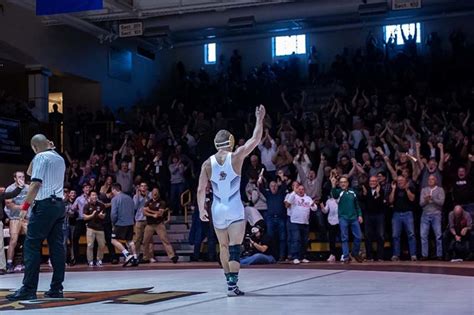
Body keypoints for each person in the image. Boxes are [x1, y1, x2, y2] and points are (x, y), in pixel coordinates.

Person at [197, 104, 266, 297]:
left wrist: (202, 209)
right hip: (234, 207)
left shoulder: (206, 164)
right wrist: (259, 119)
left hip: (217, 208)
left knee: (223, 247)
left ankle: (229, 283)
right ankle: (232, 286)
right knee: (236, 247)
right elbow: (256, 139)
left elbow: (201, 188)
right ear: (231, 142)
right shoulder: (236, 156)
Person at [7, 134, 66, 301]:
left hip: (44, 205)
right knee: (57, 247)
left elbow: (34, 183)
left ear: (34, 148)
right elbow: (30, 171)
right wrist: (46, 148)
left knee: (31, 245)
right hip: (59, 205)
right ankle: (56, 289)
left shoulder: (40, 157)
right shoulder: (59, 158)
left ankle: (29, 288)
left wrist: (25, 207)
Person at [330, 175, 364, 263]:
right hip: (343, 218)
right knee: (344, 237)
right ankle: (345, 256)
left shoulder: (353, 192)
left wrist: (359, 215)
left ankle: (354, 253)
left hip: (353, 217)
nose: (343, 184)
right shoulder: (338, 191)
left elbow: (357, 205)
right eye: (341, 182)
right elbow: (334, 195)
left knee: (359, 236)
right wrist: (333, 184)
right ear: (339, 184)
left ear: (348, 183)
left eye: (344, 182)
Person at [142, 187, 178, 263]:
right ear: (151, 194)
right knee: (145, 241)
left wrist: (149, 210)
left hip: (159, 224)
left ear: (158, 193)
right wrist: (152, 214)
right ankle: (145, 257)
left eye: (156, 192)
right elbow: (144, 212)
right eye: (153, 192)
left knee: (165, 240)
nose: (155, 193)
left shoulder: (162, 202)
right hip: (149, 224)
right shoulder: (148, 202)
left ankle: (172, 256)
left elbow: (160, 213)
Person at [4, 171, 30, 273]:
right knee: (13, 240)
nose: (21, 179)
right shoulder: (10, 188)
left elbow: (32, 200)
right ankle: (9, 263)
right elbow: (9, 204)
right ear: (15, 178)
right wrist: (22, 207)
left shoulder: (28, 188)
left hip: (27, 218)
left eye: (23, 177)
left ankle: (26, 262)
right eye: (19, 177)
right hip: (14, 217)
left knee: (30, 240)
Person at [285, 184, 318, 264]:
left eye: (302, 189)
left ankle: (302, 257)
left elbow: (314, 209)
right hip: (295, 222)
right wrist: (294, 192)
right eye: (299, 189)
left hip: (305, 222)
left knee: (304, 241)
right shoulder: (293, 197)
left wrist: (313, 205)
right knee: (296, 240)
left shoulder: (308, 198)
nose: (301, 190)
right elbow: (287, 204)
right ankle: (295, 257)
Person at [110, 183, 139, 267]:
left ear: (114, 189)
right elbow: (134, 209)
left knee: (113, 240)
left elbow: (113, 214)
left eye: (112, 191)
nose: (112, 192)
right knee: (129, 240)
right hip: (130, 222)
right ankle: (135, 257)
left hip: (120, 223)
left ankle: (127, 255)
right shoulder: (129, 198)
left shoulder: (115, 199)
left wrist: (113, 223)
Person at [389, 176, 417, 262]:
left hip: (408, 214)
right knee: (395, 235)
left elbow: (412, 199)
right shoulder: (395, 189)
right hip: (397, 214)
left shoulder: (410, 188)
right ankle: (396, 255)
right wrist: (393, 189)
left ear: (406, 181)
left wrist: (406, 189)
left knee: (411, 235)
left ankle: (413, 255)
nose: (400, 182)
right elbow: (390, 201)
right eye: (398, 181)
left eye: (401, 180)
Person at [0, 180, 25, 275]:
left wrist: (19, 187)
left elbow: (11, 194)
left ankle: (1, 267)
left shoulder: (1, 195)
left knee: (0, 245)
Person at [419, 175, 445, 260]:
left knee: (438, 235)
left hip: (436, 214)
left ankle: (439, 255)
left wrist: (433, 198)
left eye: (432, 179)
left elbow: (441, 202)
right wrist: (426, 200)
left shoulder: (440, 190)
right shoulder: (424, 190)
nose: (430, 180)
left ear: (436, 180)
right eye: (429, 179)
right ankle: (424, 255)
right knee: (423, 235)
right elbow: (421, 204)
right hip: (425, 214)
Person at [360, 176, 385, 261]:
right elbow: (366, 202)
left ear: (377, 182)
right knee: (367, 235)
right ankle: (369, 256)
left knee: (380, 235)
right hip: (368, 215)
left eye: (374, 181)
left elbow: (380, 204)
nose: (372, 182)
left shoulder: (381, 190)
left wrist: (377, 194)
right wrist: (366, 194)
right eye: (371, 181)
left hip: (379, 215)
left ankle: (380, 256)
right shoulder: (366, 191)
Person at [83, 191, 106, 267]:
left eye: (95, 195)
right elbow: (84, 217)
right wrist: (92, 215)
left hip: (100, 228)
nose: (95, 196)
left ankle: (99, 259)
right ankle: (90, 261)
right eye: (93, 195)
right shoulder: (86, 206)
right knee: (90, 245)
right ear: (89, 197)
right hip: (90, 228)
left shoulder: (101, 205)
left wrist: (101, 216)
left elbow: (104, 216)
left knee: (102, 245)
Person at [133, 182, 151, 260]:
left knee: (147, 239)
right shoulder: (135, 196)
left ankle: (147, 256)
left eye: (145, 186)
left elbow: (150, 204)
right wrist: (137, 195)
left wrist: (146, 196)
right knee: (137, 239)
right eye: (142, 186)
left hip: (148, 219)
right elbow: (135, 207)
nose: (143, 188)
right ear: (139, 188)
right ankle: (136, 255)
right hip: (139, 219)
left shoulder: (150, 195)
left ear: (147, 187)